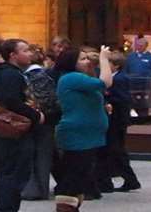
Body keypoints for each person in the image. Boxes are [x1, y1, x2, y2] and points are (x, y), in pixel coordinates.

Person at [0, 38, 42, 212]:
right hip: (13, 129)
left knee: (10, 170)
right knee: (12, 171)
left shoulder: (10, 73)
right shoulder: (9, 75)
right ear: (13, 55)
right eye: (25, 51)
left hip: (12, 129)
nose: (30, 54)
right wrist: (34, 115)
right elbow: (11, 100)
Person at [52, 48, 109, 212]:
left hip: (87, 135)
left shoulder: (79, 78)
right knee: (73, 176)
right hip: (78, 135)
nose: (87, 61)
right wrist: (104, 59)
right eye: (82, 59)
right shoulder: (72, 77)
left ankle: (72, 207)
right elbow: (104, 82)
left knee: (80, 176)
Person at [19, 47, 58, 201]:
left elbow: (43, 100)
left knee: (37, 154)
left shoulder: (34, 76)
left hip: (37, 119)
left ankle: (36, 189)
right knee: (43, 155)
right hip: (46, 119)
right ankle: (40, 188)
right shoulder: (44, 74)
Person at [99, 49, 140, 193]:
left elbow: (122, 99)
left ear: (116, 65)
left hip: (117, 120)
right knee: (115, 150)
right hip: (117, 119)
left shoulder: (119, 79)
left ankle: (130, 179)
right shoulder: (117, 78)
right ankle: (126, 179)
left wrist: (108, 99)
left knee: (116, 150)